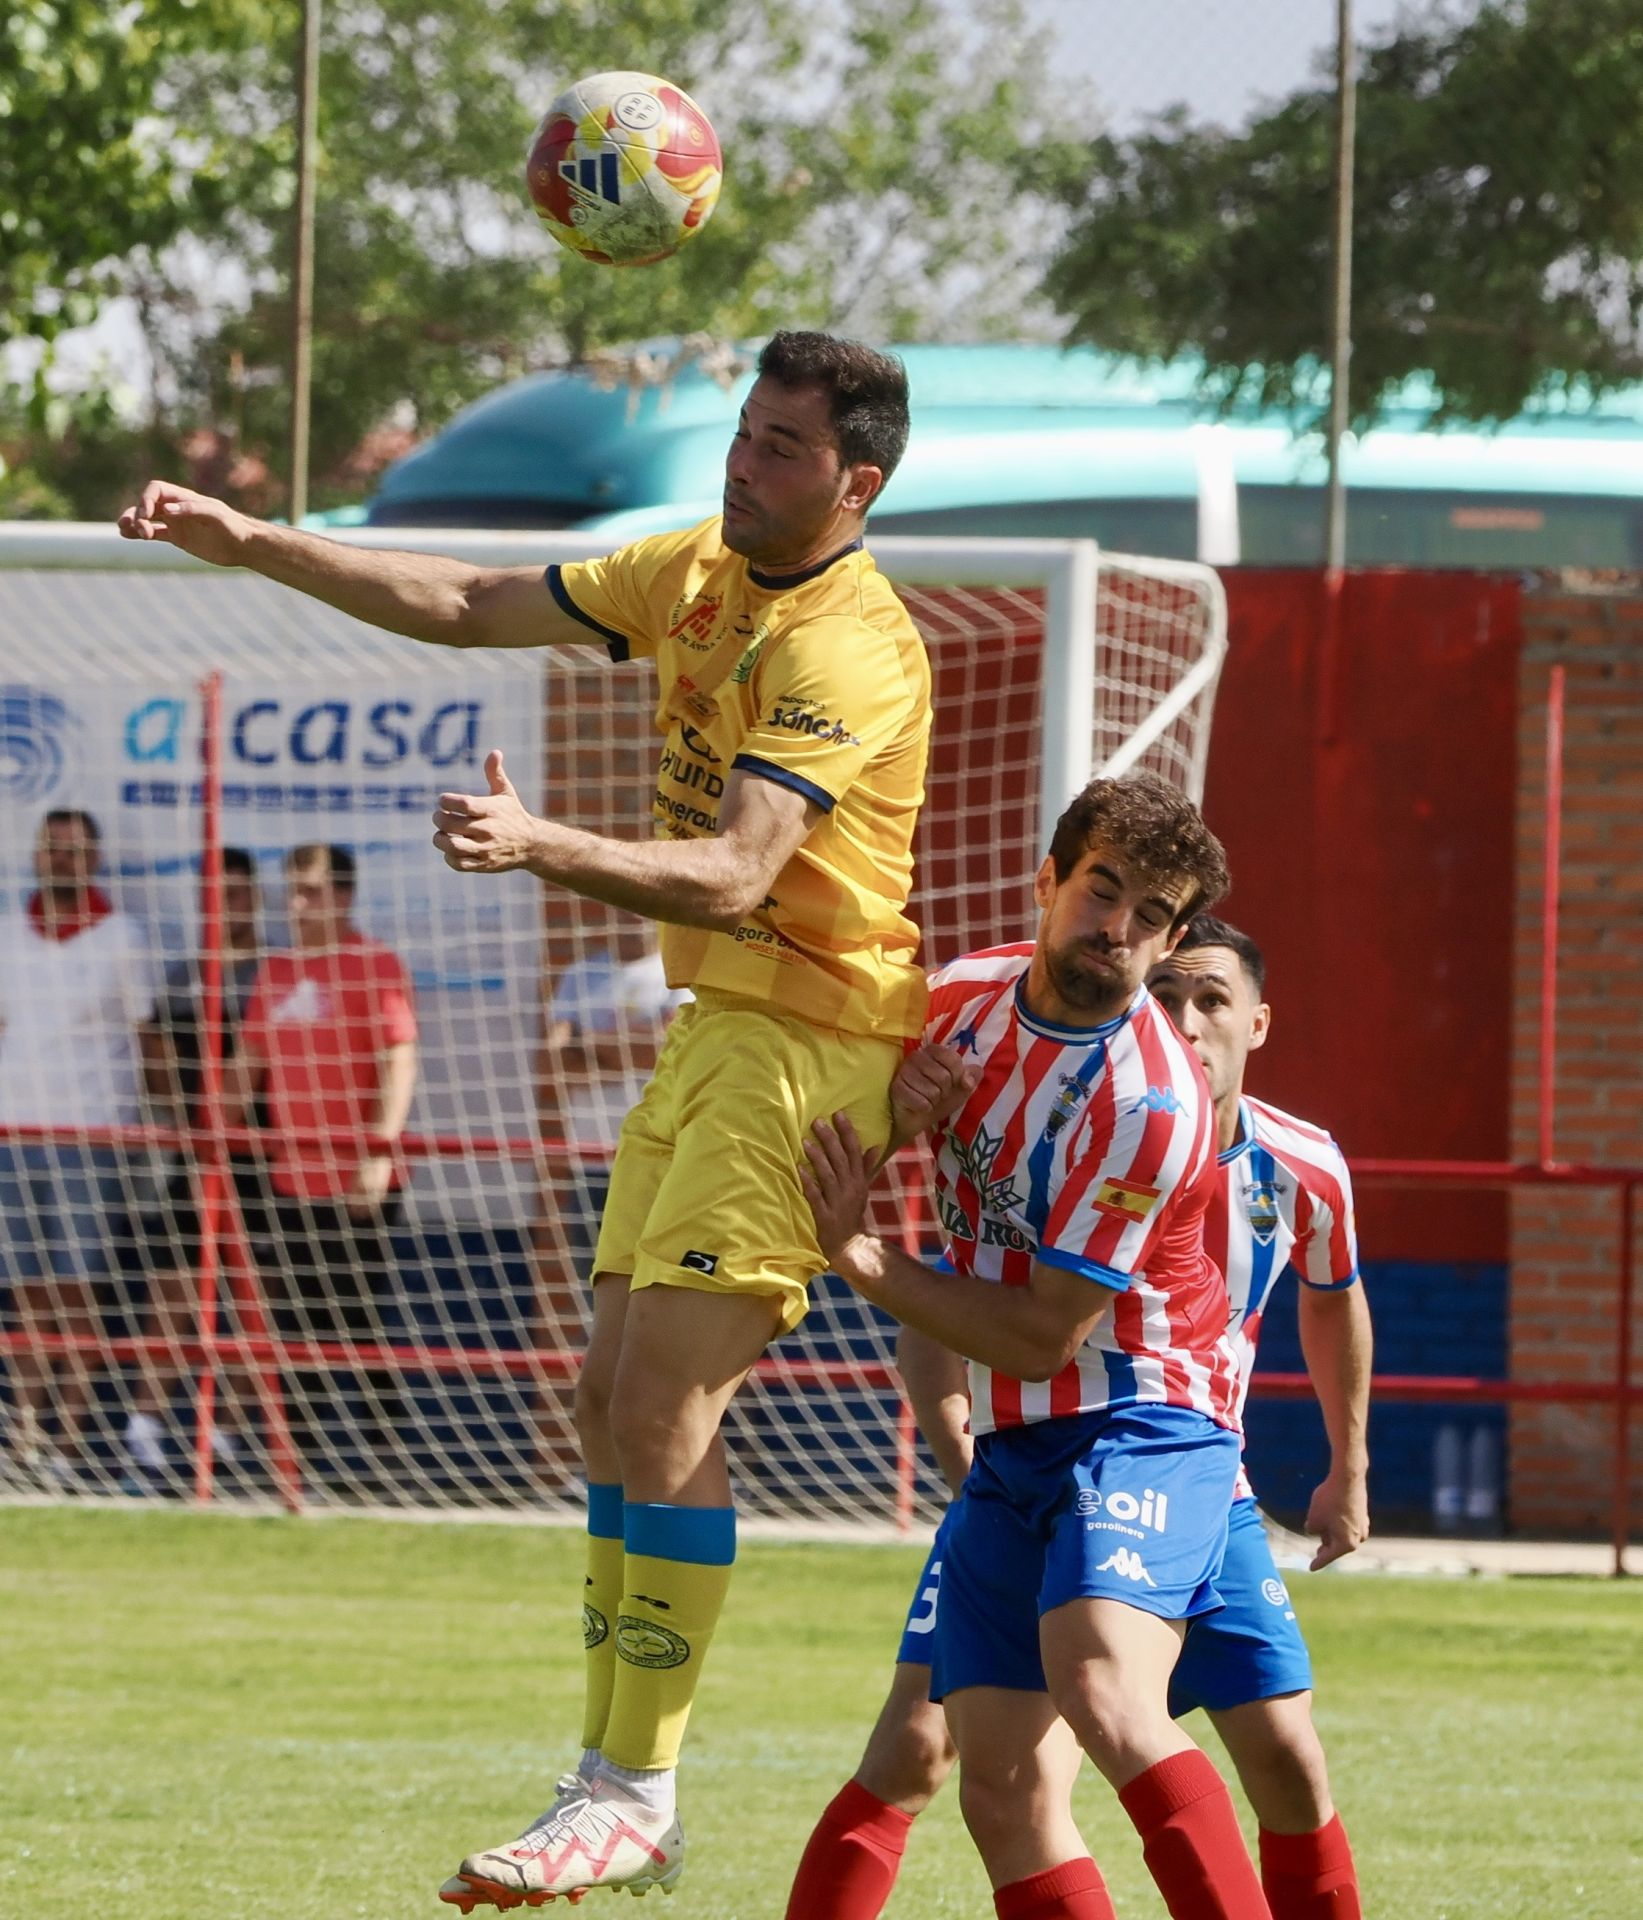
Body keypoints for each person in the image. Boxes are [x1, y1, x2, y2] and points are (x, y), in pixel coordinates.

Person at [118, 329, 929, 1904]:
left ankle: (632, 1788)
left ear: (857, 483)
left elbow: (737, 873)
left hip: (813, 1041)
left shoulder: (851, 644)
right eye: (743, 433)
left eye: (779, 448)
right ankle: (612, 1783)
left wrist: (537, 842)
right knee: (603, 1404)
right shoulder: (695, 567)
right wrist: (256, 542)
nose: (742, 465)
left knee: (663, 1414)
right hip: (714, 1032)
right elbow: (476, 605)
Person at [786, 912, 1372, 1920]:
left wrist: (1345, 1463)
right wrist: (955, 1452)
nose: (1183, 1019)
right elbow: (950, 1282)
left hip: (1169, 1456)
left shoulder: (1299, 1165)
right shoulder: (1040, 1110)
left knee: (1274, 1754)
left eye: (1210, 1000)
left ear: (1257, 1023)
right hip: (1016, 1464)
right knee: (953, 1762)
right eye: (1166, 995)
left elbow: (1333, 1297)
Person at [224, 844, 418, 1482]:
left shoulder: (375, 963)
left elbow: (400, 1059)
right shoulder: (274, 970)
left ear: (342, 896)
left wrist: (379, 1149)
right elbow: (246, 1068)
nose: (297, 904)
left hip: (358, 1176)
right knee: (293, 1319)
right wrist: (213, 1130)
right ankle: (295, 1462)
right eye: (292, 890)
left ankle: (387, 1453)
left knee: (357, 1314)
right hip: (288, 1175)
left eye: (309, 891)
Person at [0, 809, 160, 1486]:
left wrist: (168, 1129)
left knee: (77, 1296)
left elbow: (147, 1037)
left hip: (89, 1138)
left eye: (74, 851)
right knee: (27, 1297)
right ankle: (24, 1441)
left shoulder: (123, 937)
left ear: (94, 861)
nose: (62, 860)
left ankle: (67, 1447)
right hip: (13, 1136)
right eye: (52, 849)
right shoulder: (8, 932)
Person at [125, 846, 271, 1487]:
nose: (227, 903)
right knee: (176, 1292)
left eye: (238, 892)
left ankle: (231, 1438)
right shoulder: (184, 976)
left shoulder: (274, 975)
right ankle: (145, 1430)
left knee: (254, 1301)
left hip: (265, 1160)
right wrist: (183, 1109)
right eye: (217, 892)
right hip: (197, 1156)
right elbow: (153, 1051)